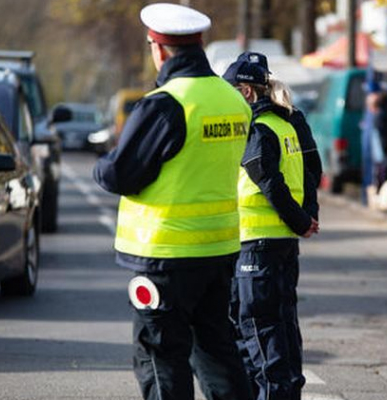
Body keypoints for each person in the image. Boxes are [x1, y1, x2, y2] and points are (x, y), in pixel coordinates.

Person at [93, 4, 254, 400]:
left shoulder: (166, 103)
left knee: (160, 355)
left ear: (160, 49)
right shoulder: (232, 100)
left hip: (165, 254)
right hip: (218, 250)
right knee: (217, 351)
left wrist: (103, 164)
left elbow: (120, 174)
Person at [223, 52, 319, 400]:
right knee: (282, 329)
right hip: (281, 244)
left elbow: (267, 179)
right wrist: (306, 218)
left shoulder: (257, 127)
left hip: (255, 245)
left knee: (259, 333)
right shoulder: (288, 122)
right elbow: (312, 173)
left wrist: (300, 219)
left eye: (230, 91)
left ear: (247, 92)